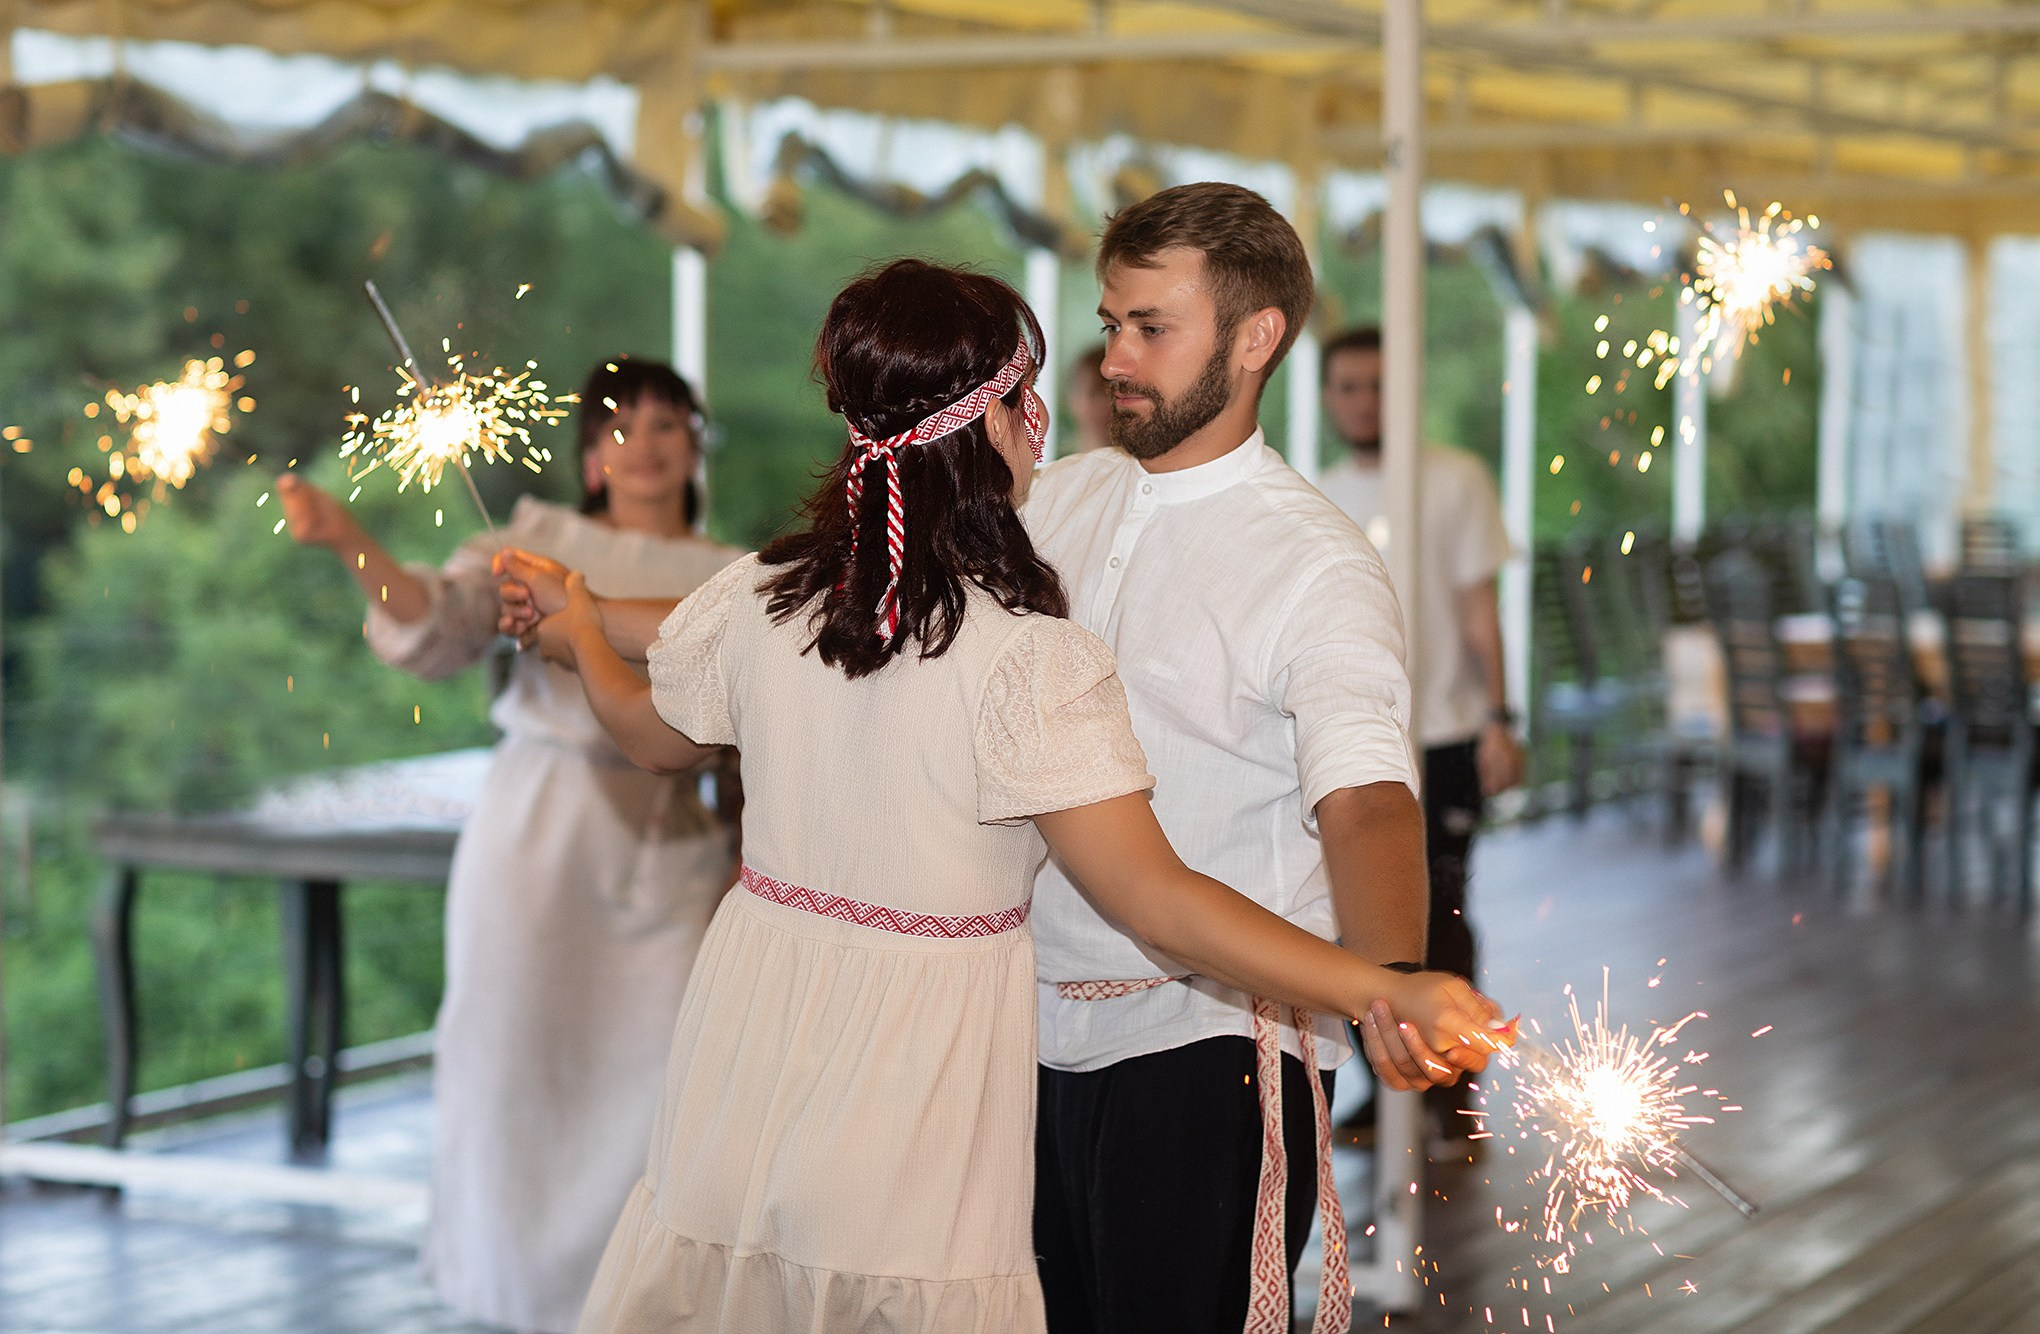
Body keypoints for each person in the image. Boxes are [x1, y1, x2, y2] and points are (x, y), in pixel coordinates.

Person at [493, 260, 1508, 1334]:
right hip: (920, 1058)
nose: (1046, 418)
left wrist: (579, 637)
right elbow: (1156, 900)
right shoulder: (1026, 662)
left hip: (754, 1024)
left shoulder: (771, 595)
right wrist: (1374, 985)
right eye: (1024, 397)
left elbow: (650, 733)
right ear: (975, 427)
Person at [1020, 182, 1463, 1333]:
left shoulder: (1315, 562)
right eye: (1111, 323)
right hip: (1023, 1026)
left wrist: (1390, 979)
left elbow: (1364, 796)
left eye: (1150, 328)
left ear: (1256, 337)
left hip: (1212, 1049)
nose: (1118, 355)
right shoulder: (1054, 501)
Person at [278, 358, 744, 1334]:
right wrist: (349, 541)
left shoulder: (737, 574)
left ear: (696, 442)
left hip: (673, 844)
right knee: (514, 1075)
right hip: (539, 841)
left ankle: (643, 1308)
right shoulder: (532, 544)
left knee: (667, 1090)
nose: (648, 442)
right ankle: (513, 1302)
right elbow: (437, 623)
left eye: (669, 423)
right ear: (588, 451)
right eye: (624, 424)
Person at [1314, 325, 1525, 1144]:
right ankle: (1383, 1084)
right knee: (1354, 918)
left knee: (1443, 911)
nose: (1363, 402)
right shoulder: (1318, 491)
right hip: (1355, 741)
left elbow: (1482, 612)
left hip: (1443, 732)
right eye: (1348, 387)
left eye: (1377, 385)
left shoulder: (1455, 480)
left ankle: (1453, 1092)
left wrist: (1500, 721)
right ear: (1329, 397)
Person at [1063, 340, 1114, 453]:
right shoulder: (1052, 469)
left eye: (1118, 394)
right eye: (1096, 393)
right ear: (1073, 398)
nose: (1107, 404)